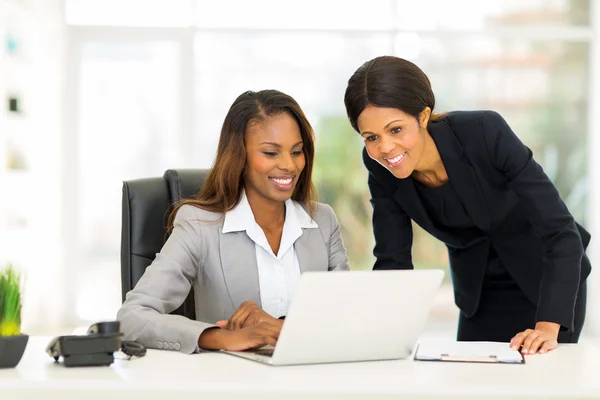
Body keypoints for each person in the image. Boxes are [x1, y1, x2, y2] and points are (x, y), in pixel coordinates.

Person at [344, 56, 591, 355]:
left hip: (546, 282)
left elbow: (561, 231)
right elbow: (392, 260)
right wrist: (385, 336)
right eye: (371, 137)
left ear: (423, 116)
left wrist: (547, 327)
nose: (384, 148)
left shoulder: (484, 132)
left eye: (395, 129)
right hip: (479, 295)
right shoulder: (380, 168)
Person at [117, 89, 349, 354]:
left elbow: (349, 316)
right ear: (239, 156)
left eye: (297, 151)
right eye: (271, 153)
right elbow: (132, 317)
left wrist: (281, 329)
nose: (289, 165)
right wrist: (218, 338)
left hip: (316, 381)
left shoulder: (322, 220)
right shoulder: (199, 225)